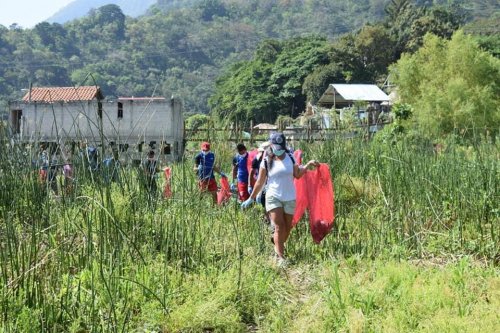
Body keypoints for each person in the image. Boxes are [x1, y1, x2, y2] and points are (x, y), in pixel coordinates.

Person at [241, 133, 319, 267]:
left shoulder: (291, 157)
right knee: (279, 226)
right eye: (276, 147)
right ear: (271, 145)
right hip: (273, 196)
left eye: (281, 146)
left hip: (289, 197)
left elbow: (297, 175)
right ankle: (280, 257)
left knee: (287, 227)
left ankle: (277, 242)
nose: (279, 149)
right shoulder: (266, 160)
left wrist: (307, 166)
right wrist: (251, 198)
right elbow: (260, 182)